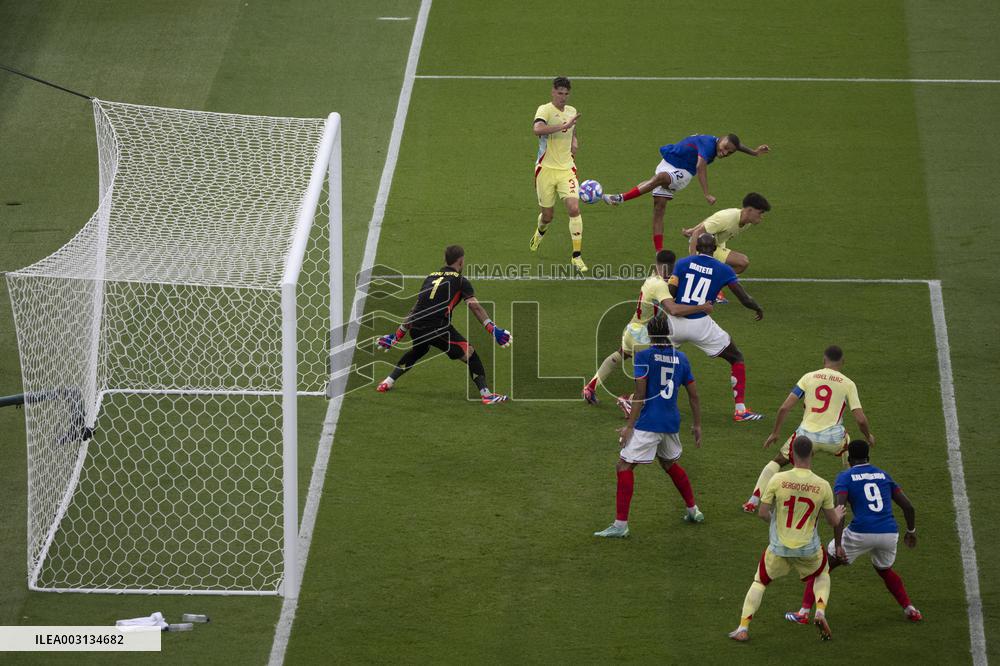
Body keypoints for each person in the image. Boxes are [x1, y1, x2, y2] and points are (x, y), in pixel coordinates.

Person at [786, 440, 922, 624]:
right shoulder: (883, 475)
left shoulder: (845, 477)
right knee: (884, 570)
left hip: (861, 532)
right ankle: (910, 609)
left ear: (849, 459)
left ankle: (803, 612)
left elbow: (839, 512)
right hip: (889, 533)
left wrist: (840, 544)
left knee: (822, 566)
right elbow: (908, 507)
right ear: (868, 457)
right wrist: (911, 531)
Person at [594, 314, 704, 538]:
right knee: (668, 463)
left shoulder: (643, 356)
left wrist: (629, 426)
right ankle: (693, 510)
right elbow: (693, 396)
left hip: (650, 423)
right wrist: (697, 424)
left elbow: (641, 395)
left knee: (624, 467)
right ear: (668, 333)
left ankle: (620, 525)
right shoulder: (682, 359)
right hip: (671, 423)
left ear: (650, 335)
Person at [729, 436, 846, 642]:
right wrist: (838, 511)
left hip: (779, 546)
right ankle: (819, 611)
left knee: (760, 581)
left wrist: (776, 524)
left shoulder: (777, 479)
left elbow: (763, 513)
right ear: (811, 454)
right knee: (822, 573)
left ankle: (743, 628)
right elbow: (832, 521)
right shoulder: (823, 485)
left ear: (792, 453)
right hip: (808, 549)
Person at [744, 346, 875, 513]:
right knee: (850, 455)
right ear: (843, 362)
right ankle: (850, 501)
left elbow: (784, 408)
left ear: (823, 360)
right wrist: (868, 436)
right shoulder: (847, 383)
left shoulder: (808, 377)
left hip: (805, 436)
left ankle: (753, 501)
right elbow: (860, 419)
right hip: (833, 439)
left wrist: (775, 432)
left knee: (778, 460)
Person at [375, 245, 512, 404]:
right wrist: (493, 329)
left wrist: (396, 336)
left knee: (419, 349)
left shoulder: (430, 277)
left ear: (445, 260)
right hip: (438, 329)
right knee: (471, 354)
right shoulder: (460, 281)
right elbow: (474, 306)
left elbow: (416, 308)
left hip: (417, 327)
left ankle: (387, 382)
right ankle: (487, 395)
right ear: (460, 261)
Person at [581, 250, 713, 405]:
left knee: (620, 355)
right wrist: (701, 307)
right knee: (657, 375)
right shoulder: (661, 286)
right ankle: (628, 401)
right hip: (643, 336)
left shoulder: (652, 278)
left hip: (632, 329)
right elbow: (674, 310)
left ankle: (590, 387)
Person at [603, 134, 770, 252]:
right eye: (725, 148)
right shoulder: (708, 143)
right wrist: (754, 152)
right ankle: (659, 252)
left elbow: (701, 165)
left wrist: (707, 194)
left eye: (729, 152)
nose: (725, 153)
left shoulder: (717, 145)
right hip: (668, 161)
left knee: (660, 178)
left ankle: (620, 198)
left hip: (683, 172)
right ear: (721, 139)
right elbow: (735, 146)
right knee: (659, 208)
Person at [667, 233, 765, 422]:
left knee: (661, 360)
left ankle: (648, 402)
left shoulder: (682, 263)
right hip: (700, 325)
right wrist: (757, 307)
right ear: (714, 249)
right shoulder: (723, 269)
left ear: (696, 248)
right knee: (736, 357)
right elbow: (743, 297)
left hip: (674, 323)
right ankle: (740, 410)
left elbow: (670, 292)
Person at [528, 76, 587, 273]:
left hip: (566, 169)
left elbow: (571, 129)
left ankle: (576, 256)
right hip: (545, 169)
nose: (563, 97)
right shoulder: (544, 109)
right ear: (553, 91)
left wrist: (574, 140)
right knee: (548, 216)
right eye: (560, 93)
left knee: (573, 208)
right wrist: (563, 127)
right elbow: (537, 129)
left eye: (566, 94)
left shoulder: (571, 111)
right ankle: (539, 232)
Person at [680, 192, 771, 303]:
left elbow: (710, 221)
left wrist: (691, 230)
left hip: (715, 244)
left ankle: (711, 285)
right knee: (742, 262)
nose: (762, 216)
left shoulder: (746, 222)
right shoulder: (728, 218)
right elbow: (698, 234)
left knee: (725, 268)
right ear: (750, 210)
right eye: (760, 212)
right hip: (703, 247)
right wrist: (693, 261)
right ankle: (712, 288)